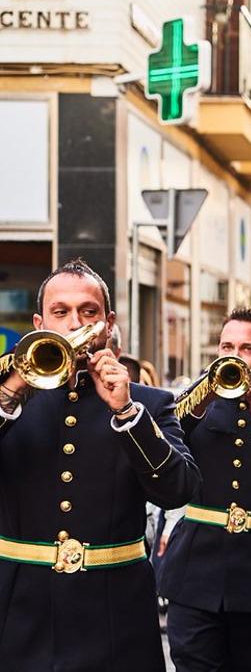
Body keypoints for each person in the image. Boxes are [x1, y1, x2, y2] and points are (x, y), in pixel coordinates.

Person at [0, 258, 200, 671]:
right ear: (40, 323)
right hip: (18, 610)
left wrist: (126, 412)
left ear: (108, 323)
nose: (75, 323)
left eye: (88, 312)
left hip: (114, 614)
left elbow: (179, 489)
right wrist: (11, 390)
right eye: (61, 312)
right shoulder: (8, 394)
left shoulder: (150, 403)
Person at [158, 308, 251, 672]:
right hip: (194, 574)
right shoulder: (192, 406)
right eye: (227, 347)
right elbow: (165, 455)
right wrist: (199, 400)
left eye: (247, 349)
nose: (236, 355)